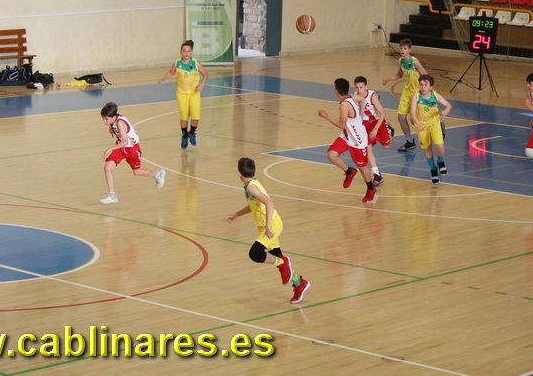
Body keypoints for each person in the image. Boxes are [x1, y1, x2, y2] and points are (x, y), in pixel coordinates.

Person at [226, 157, 311, 304]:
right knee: (280, 262)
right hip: (267, 226)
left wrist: (268, 227)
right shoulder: (251, 185)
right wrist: (236, 215)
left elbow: (269, 203)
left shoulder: (252, 187)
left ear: (239, 174)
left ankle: (283, 262)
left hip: (272, 225)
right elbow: (253, 205)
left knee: (255, 254)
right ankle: (300, 284)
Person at [317, 78, 376, 203]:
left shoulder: (345, 104)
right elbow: (362, 99)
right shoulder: (351, 97)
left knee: (362, 167)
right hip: (347, 134)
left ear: (336, 91)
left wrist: (326, 116)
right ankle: (349, 171)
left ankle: (371, 189)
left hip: (357, 138)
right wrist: (360, 114)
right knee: (331, 155)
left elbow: (341, 125)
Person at [99, 102, 167, 204]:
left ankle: (157, 175)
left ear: (113, 117)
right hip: (121, 148)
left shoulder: (120, 123)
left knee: (137, 172)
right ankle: (112, 195)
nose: (104, 121)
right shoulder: (113, 121)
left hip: (131, 149)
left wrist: (110, 149)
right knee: (107, 168)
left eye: (106, 119)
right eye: (103, 118)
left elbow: (125, 141)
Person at [158, 40, 209, 149]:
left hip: (194, 94)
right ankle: (185, 135)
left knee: (195, 117)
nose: (186, 53)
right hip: (181, 94)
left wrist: (202, 85)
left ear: (191, 52)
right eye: (184, 51)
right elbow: (171, 72)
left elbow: (205, 74)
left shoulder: (196, 63)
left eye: (189, 51)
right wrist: (163, 78)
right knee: (184, 118)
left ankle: (192, 133)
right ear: (181, 52)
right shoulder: (177, 63)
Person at [382, 38, 428, 152]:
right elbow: (399, 75)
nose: (402, 50)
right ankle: (409, 141)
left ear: (409, 50)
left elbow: (425, 75)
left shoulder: (414, 62)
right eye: (401, 48)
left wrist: (426, 90)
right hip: (407, 91)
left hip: (417, 92)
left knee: (414, 119)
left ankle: (435, 130)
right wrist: (388, 78)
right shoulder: (401, 61)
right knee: (401, 116)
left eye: (405, 48)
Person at [409, 74, 452, 184]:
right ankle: (433, 169)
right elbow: (412, 112)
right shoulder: (416, 96)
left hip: (434, 123)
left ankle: (441, 162)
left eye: (425, 85)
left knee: (440, 145)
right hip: (422, 126)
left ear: (431, 87)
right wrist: (418, 123)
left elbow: (448, 105)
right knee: (427, 148)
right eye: (421, 84)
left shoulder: (435, 95)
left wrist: (446, 111)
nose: (423, 87)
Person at [354, 75, 394, 186]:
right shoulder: (355, 96)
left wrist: (376, 129)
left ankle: (389, 130)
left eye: (361, 87)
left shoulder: (372, 97)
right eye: (357, 87)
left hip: (378, 121)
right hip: (366, 123)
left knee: (387, 146)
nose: (359, 90)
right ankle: (377, 175)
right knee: (368, 148)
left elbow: (383, 113)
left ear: (366, 87)